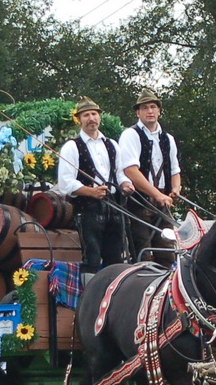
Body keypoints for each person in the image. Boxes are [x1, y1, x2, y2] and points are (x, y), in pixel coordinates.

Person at [54, 97, 129, 274]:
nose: (91, 118)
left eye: (94, 114)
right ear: (79, 120)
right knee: (92, 258)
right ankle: (91, 298)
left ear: (100, 117)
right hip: (87, 209)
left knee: (115, 259)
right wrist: (91, 192)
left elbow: (120, 173)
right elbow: (66, 183)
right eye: (86, 115)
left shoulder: (112, 145)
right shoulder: (71, 147)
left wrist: (126, 184)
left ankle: (114, 298)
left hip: (113, 208)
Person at [117, 86, 182, 258]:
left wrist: (175, 189)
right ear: (138, 113)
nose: (150, 111)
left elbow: (175, 170)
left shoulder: (168, 139)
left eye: (153, 107)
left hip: (163, 201)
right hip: (139, 200)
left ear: (159, 111)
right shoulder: (130, 135)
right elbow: (131, 171)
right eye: (144, 108)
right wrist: (157, 195)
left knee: (168, 253)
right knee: (142, 253)